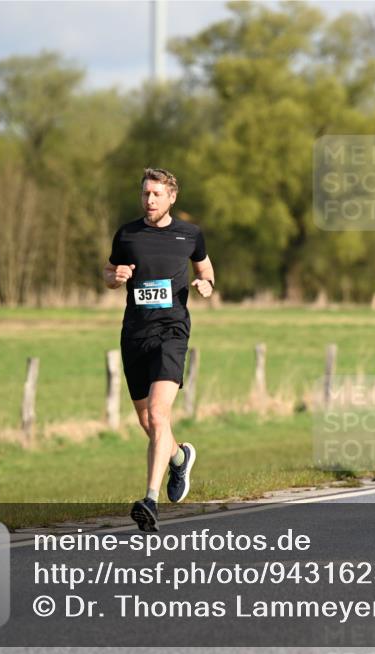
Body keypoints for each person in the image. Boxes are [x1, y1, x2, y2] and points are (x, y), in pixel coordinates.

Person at [103, 168, 215, 531]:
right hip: (135, 334)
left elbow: (206, 270)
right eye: (145, 194)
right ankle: (180, 456)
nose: (149, 200)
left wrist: (205, 285)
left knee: (158, 413)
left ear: (171, 197)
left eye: (155, 194)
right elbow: (108, 274)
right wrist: (114, 278)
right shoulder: (127, 234)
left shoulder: (190, 234)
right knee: (147, 422)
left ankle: (150, 499)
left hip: (172, 332)